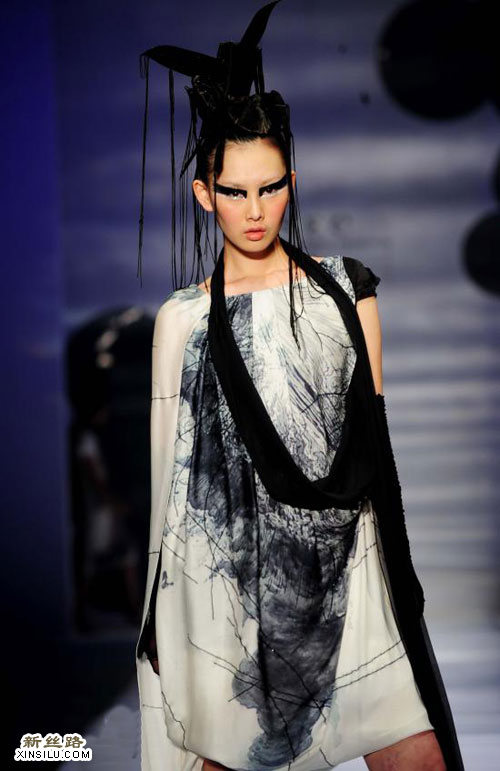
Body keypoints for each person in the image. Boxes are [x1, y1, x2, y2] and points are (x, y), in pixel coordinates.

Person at [134, 2, 465, 770]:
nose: (254, 210)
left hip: (353, 575)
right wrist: (170, 633)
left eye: (270, 187)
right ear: (203, 193)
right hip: (235, 593)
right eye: (234, 190)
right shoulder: (182, 321)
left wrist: (392, 589)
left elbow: (373, 451)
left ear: (293, 182)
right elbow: (172, 496)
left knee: (416, 755)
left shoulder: (348, 292)